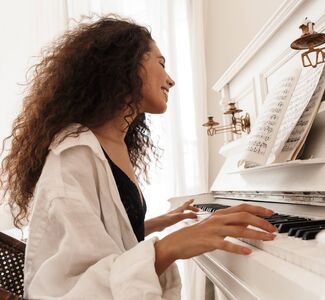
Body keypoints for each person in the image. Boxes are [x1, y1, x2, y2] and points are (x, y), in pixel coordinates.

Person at [0, 16, 277, 299]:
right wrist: (168, 247)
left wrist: (159, 222)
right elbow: (68, 288)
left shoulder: (109, 142)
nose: (171, 79)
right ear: (125, 65)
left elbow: (105, 233)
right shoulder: (73, 156)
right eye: (161, 63)